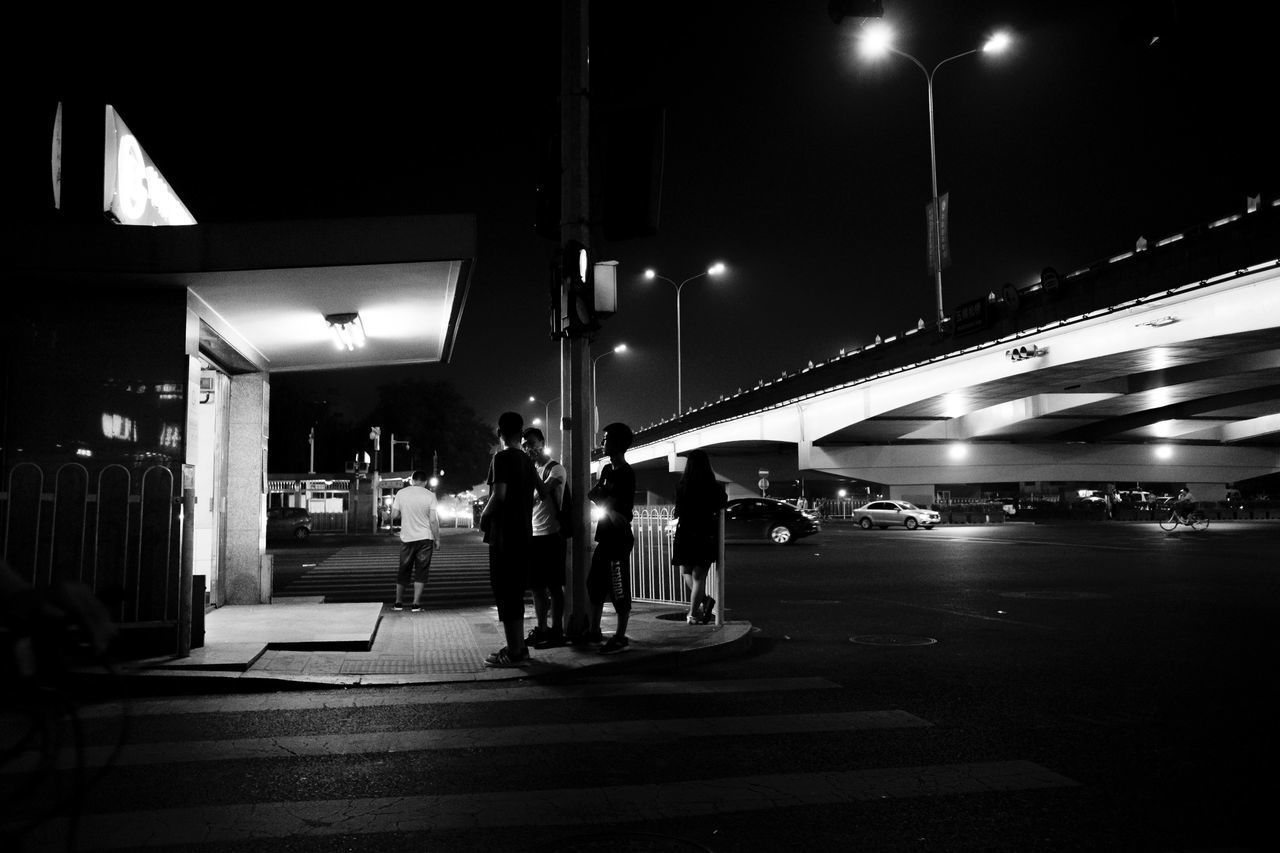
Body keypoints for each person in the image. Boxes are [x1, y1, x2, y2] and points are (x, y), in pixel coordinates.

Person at [479, 411, 542, 667]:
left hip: (504, 535)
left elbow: (499, 494)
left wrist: (484, 515)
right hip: (525, 533)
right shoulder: (527, 461)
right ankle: (518, 646)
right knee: (515, 590)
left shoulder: (501, 457)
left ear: (499, 432)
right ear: (521, 431)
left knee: (504, 591)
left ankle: (515, 652)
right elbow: (542, 491)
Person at [586, 422, 636, 655]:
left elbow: (622, 514)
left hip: (618, 538)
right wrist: (606, 501)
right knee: (594, 584)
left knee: (618, 587)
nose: (602, 443)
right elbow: (595, 494)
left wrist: (605, 501)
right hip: (604, 536)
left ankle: (620, 635)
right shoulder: (606, 470)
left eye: (605, 439)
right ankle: (594, 630)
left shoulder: (627, 474)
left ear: (617, 443)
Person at [521, 426, 568, 649]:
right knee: (536, 587)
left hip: (552, 534)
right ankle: (541, 629)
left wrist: (531, 471)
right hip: (534, 534)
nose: (528, 448)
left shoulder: (555, 469)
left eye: (531, 443)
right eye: (524, 444)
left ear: (541, 442)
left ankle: (557, 630)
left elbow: (541, 494)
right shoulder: (532, 470)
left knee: (554, 585)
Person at [671, 449, 728, 625]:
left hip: (686, 534)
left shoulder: (683, 486)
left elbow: (678, 511)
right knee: (698, 577)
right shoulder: (715, 487)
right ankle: (697, 610)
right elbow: (722, 505)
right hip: (706, 535)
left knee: (685, 572)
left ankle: (695, 611)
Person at [390, 470, 441, 612]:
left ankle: (398, 603)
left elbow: (394, 515)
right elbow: (433, 520)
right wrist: (437, 539)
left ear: (412, 480)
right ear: (425, 482)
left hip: (407, 538)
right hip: (425, 538)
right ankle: (416, 604)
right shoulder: (430, 496)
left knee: (403, 569)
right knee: (421, 570)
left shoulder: (401, 493)